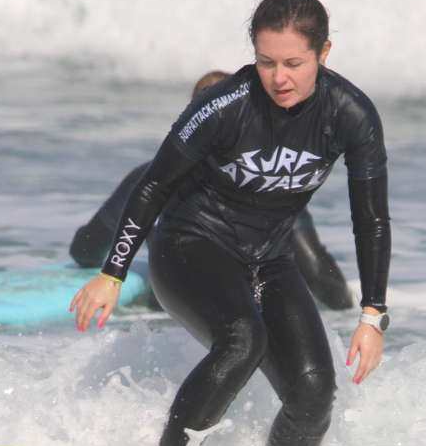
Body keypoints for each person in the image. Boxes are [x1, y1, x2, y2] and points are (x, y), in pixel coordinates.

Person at [70, 0, 391, 446]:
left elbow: (371, 218)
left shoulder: (351, 114)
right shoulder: (223, 106)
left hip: (269, 257)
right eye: (266, 62)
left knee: (314, 394)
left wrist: (371, 315)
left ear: (323, 53)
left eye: (293, 63)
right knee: (243, 341)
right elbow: (153, 184)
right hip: (192, 244)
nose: (278, 78)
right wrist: (112, 273)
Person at [69, 71, 354, 312]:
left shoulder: (150, 179)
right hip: (248, 315)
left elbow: (86, 248)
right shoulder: (275, 182)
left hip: (173, 321)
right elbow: (326, 284)